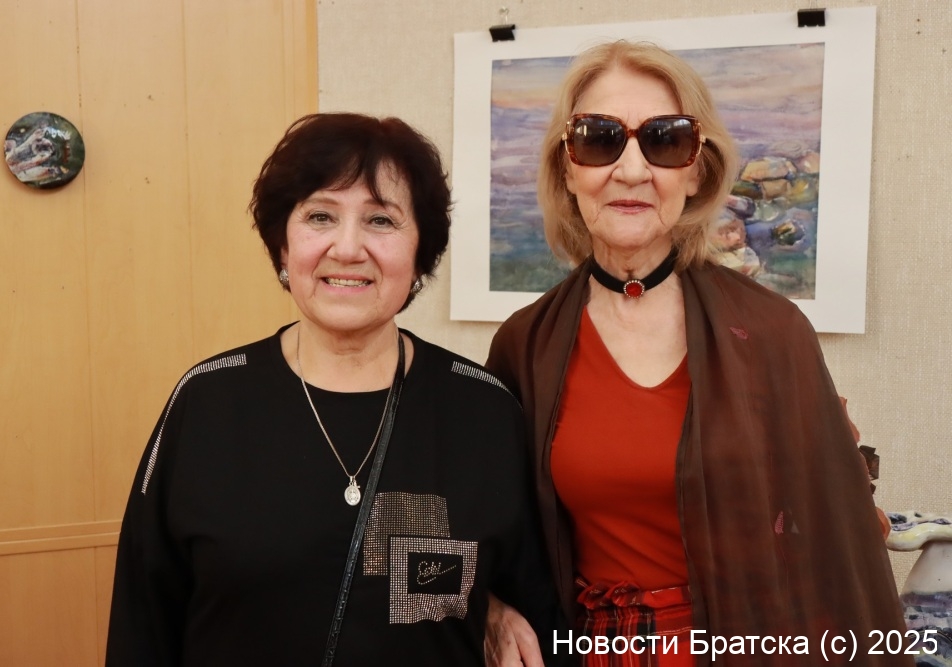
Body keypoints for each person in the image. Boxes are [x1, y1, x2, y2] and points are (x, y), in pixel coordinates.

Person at [484, 41, 911, 666]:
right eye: (600, 139)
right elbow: (494, 531)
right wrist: (492, 607)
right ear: (567, 168)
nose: (632, 170)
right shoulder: (524, 345)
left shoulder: (774, 333)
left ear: (696, 171)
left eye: (666, 140)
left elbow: (834, 545)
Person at [106, 112, 559, 666]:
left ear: (421, 253)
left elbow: (534, 602)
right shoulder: (207, 402)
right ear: (282, 246)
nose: (347, 248)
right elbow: (143, 620)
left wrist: (487, 603)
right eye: (320, 216)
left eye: (381, 220)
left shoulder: (482, 410)